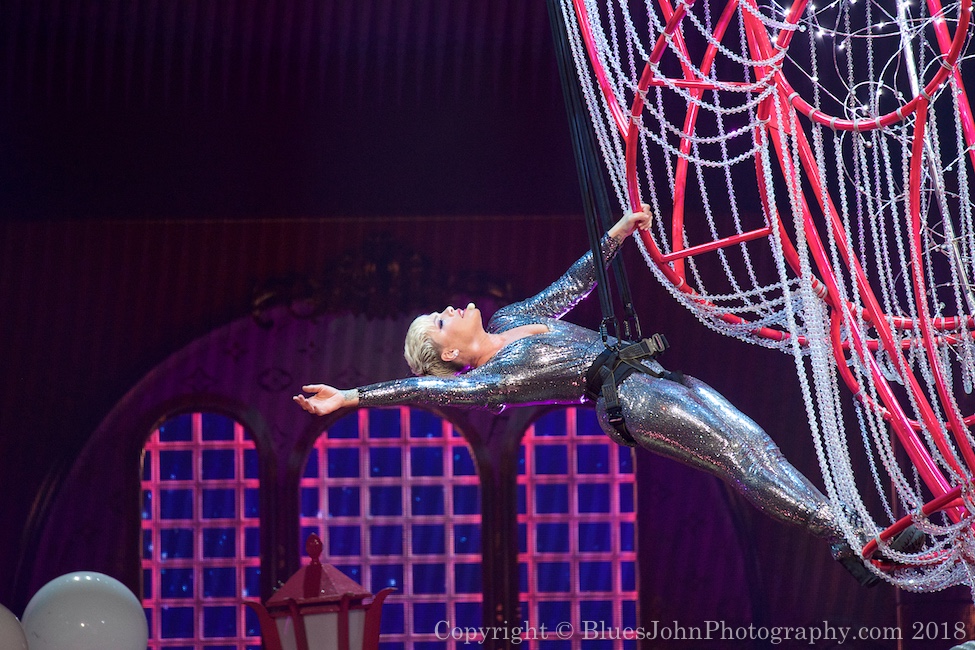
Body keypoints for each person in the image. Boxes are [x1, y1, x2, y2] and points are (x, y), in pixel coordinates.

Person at [294, 206, 912, 586]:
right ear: (451, 351)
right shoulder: (489, 378)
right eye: (441, 320)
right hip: (635, 402)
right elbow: (424, 390)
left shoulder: (510, 319)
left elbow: (571, 287)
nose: (453, 308)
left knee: (755, 443)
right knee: (740, 458)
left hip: (652, 375)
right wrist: (352, 397)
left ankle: (853, 533)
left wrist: (615, 234)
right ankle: (851, 537)